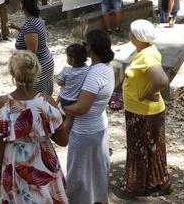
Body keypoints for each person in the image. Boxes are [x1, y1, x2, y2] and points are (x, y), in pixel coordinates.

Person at [0, 50, 69, 203]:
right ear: (36, 72)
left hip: (14, 162)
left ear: (13, 73)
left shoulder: (3, 104)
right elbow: (63, 141)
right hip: (43, 162)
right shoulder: (47, 102)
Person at [63, 30, 115, 204]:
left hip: (85, 132)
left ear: (92, 48)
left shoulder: (94, 74)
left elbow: (80, 108)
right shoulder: (106, 67)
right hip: (98, 126)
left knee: (78, 176)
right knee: (97, 171)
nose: (83, 47)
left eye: (85, 44)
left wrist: (58, 107)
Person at [122, 20, 171, 196]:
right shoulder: (145, 50)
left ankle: (145, 185)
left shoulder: (147, 56)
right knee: (148, 148)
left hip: (144, 113)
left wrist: (144, 94)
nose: (129, 35)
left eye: (131, 33)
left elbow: (162, 80)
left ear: (138, 37)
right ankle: (151, 182)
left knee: (142, 149)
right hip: (140, 111)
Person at [8, 0, 55, 95]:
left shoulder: (31, 25)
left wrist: (22, 69)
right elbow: (29, 34)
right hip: (46, 62)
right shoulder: (36, 19)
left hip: (40, 67)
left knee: (35, 100)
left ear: (23, 5)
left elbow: (32, 52)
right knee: (42, 99)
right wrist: (16, 27)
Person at [55, 43, 89, 130]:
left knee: (68, 119)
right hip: (76, 99)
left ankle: (63, 133)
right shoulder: (87, 70)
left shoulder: (66, 71)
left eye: (67, 57)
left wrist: (57, 78)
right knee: (70, 117)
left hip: (66, 99)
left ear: (72, 60)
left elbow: (59, 82)